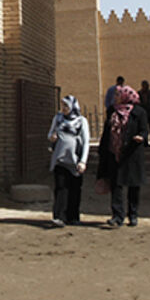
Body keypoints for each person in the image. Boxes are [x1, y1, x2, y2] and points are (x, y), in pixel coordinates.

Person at [96, 86, 148, 227]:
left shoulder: (139, 112)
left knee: (133, 186)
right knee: (116, 185)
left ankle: (133, 214)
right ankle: (117, 216)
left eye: (119, 95)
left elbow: (144, 130)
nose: (116, 97)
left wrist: (141, 137)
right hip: (114, 153)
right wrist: (103, 149)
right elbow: (107, 131)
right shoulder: (112, 111)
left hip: (131, 154)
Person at [47, 94, 90, 227]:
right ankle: (59, 216)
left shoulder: (81, 121)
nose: (64, 108)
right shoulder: (58, 118)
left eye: (66, 105)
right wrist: (52, 137)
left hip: (75, 160)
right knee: (61, 187)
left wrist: (83, 161)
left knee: (74, 189)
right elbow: (50, 134)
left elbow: (86, 141)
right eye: (63, 105)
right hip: (60, 160)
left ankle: (73, 217)